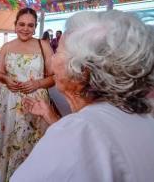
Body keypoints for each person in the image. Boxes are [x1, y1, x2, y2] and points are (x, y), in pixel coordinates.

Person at [9, 10, 154, 181]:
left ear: (81, 70)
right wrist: (51, 116)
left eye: (58, 52)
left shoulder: (76, 133)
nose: (52, 60)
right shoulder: (143, 116)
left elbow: (82, 140)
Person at [0, 8, 55, 181]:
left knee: (32, 144)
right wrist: (6, 79)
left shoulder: (43, 46)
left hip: (36, 106)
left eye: (30, 25)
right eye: (21, 24)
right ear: (15, 26)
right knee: (10, 143)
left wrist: (38, 83)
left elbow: (54, 77)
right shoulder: (7, 47)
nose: (25, 28)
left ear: (35, 28)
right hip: (10, 105)